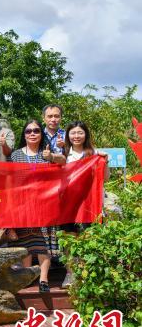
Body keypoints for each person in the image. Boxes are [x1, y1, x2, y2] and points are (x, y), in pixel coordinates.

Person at [7, 119, 63, 293]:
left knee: (43, 242)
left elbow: (64, 162)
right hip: (22, 204)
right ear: (24, 135)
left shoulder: (47, 152)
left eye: (36, 130)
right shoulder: (15, 155)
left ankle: (43, 279)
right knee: (26, 242)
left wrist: (52, 157)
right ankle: (28, 277)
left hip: (44, 204)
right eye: (28, 131)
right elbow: (10, 181)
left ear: (41, 134)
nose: (32, 134)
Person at [60, 120, 109, 288]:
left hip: (89, 203)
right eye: (73, 133)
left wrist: (105, 161)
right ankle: (70, 274)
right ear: (68, 136)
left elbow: (105, 178)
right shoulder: (63, 154)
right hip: (68, 204)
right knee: (69, 239)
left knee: (89, 238)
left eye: (80, 133)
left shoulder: (94, 153)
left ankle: (87, 275)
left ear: (86, 135)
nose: (76, 136)